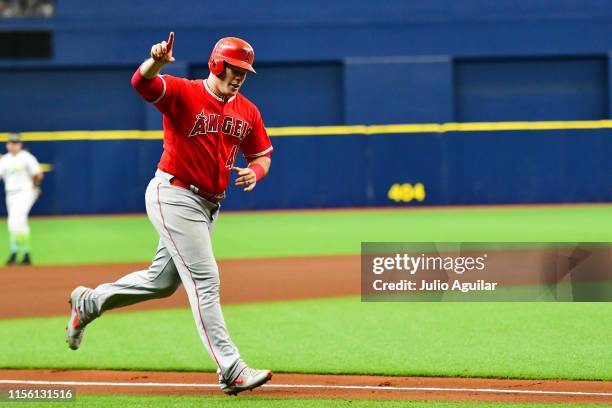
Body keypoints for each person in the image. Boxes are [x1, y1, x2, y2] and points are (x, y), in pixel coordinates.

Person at [65, 33, 274, 395]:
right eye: (234, 68)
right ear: (216, 64)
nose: (240, 75)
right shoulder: (184, 93)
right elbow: (141, 82)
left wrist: (254, 173)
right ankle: (231, 368)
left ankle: (90, 302)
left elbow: (262, 155)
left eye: (245, 70)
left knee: (161, 283)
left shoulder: (248, 111)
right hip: (174, 194)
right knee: (205, 281)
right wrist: (157, 61)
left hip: (209, 205)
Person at [0, 133, 43, 266]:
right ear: (7, 144)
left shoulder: (27, 157)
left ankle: (14, 253)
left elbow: (38, 174)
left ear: (20, 145)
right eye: (11, 143)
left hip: (25, 192)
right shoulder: (5, 159)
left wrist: (34, 186)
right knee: (20, 223)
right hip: (10, 193)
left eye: (16, 143)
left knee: (14, 221)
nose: (13, 145)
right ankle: (25, 254)